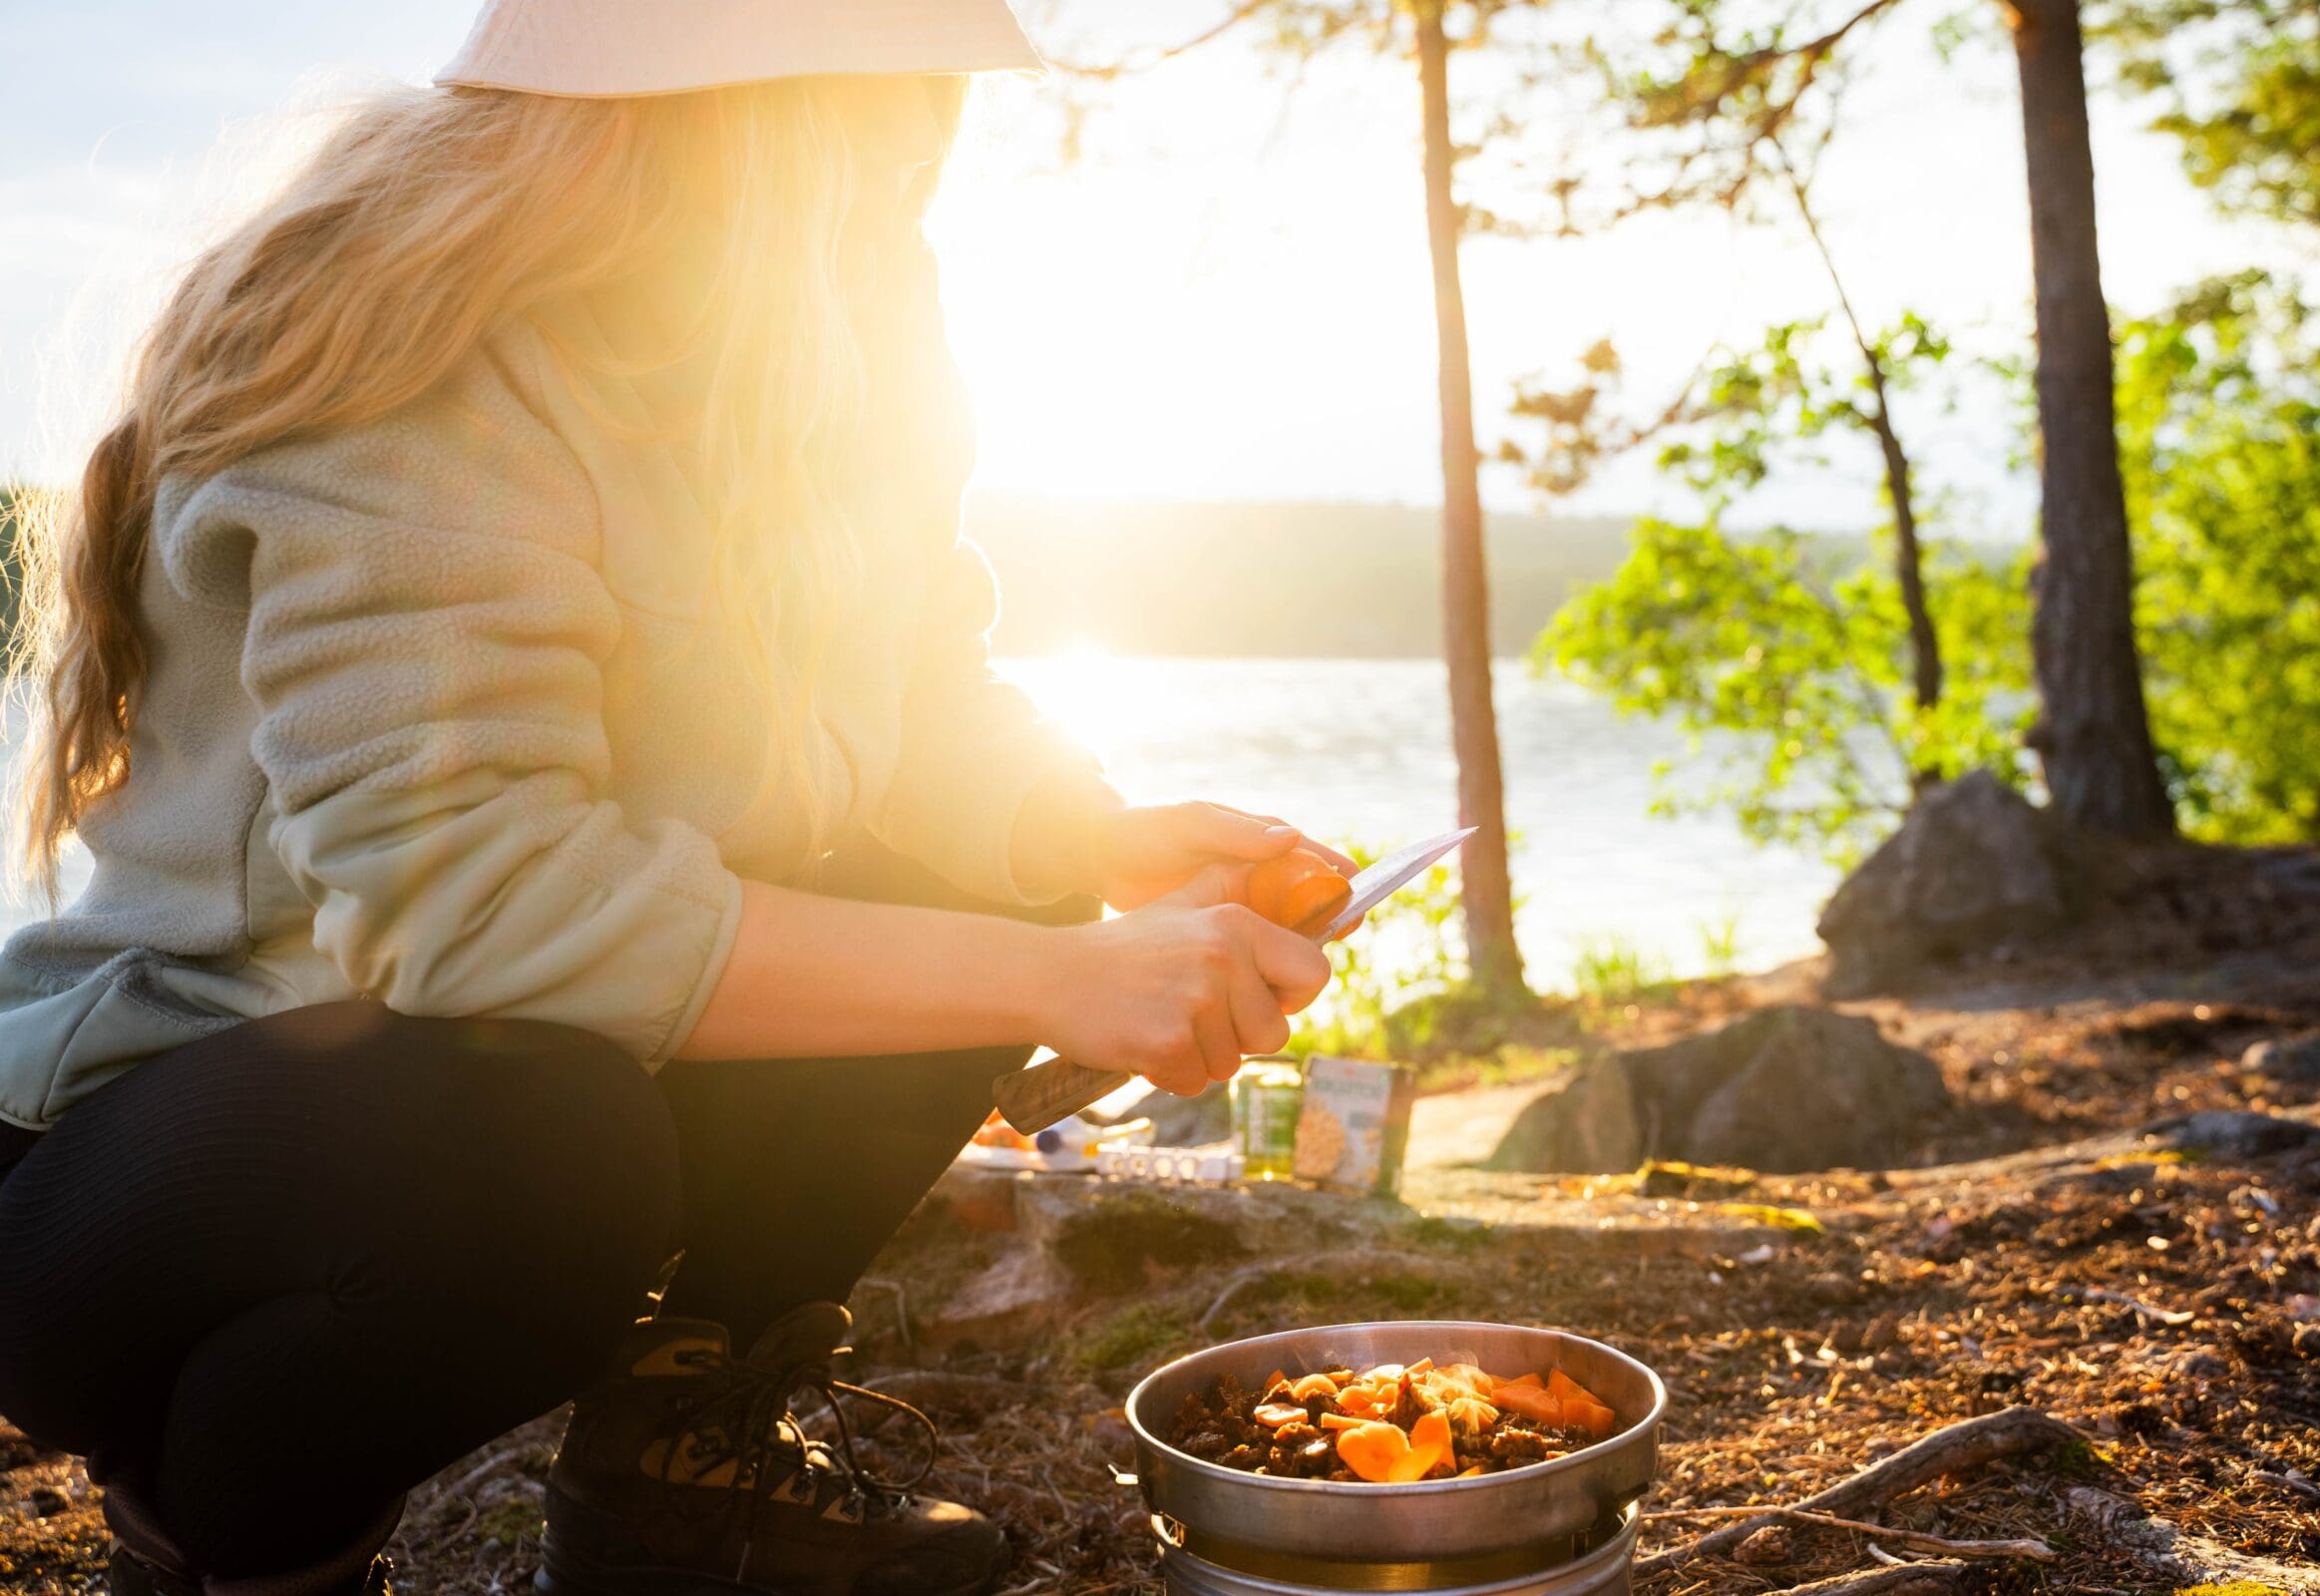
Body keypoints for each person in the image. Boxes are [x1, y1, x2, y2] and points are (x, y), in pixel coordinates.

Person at [0, 5, 1346, 1594]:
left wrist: (1084, 839)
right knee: (531, 1146)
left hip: (470, 1072)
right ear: (723, 102)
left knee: (986, 888)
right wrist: (1066, 983)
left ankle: (679, 1464)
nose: (925, 150)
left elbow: (905, 680)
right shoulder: (417, 348)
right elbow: (480, 909)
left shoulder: (840, 290)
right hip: (156, 1160)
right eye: (894, 99)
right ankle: (234, 1541)